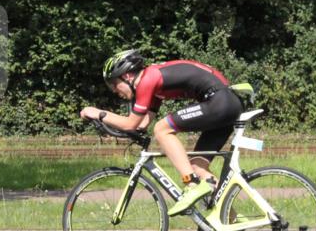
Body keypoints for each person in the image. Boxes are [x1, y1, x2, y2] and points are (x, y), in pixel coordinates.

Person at [79, 49, 244, 218]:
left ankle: (191, 184)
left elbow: (130, 123)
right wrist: (115, 128)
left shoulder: (147, 79)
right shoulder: (156, 87)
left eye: (114, 84)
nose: (114, 90)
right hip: (225, 103)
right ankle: (233, 222)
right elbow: (141, 124)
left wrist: (98, 113)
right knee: (197, 167)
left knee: (162, 129)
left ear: (127, 76)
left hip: (219, 101)